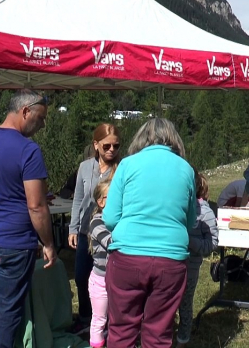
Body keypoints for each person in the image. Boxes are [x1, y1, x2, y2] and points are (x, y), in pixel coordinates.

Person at [0, 89, 57, 348]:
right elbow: (37, 206)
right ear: (25, 111)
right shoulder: (29, 150)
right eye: (40, 118)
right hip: (15, 243)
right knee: (7, 311)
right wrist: (49, 243)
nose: (42, 124)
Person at [103, 118, 197, 348]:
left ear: (141, 138)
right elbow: (191, 221)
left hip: (127, 257)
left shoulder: (127, 164)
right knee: (159, 333)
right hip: (171, 260)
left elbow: (110, 218)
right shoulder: (186, 169)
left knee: (122, 330)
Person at [68, 123, 121, 333]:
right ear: (96, 145)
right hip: (84, 231)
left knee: (108, 278)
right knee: (81, 276)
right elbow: (78, 199)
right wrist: (73, 228)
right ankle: (84, 317)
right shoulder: (84, 167)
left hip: (109, 232)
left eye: (116, 146)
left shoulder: (121, 169)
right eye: (107, 146)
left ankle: (107, 320)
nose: (111, 151)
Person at [176, 171, 219, 348]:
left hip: (190, 269)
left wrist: (189, 241)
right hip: (170, 264)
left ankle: (182, 340)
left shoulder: (205, 212)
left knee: (185, 305)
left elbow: (212, 243)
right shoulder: (175, 206)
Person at [87, 180, 112, 348]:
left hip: (117, 280)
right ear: (101, 202)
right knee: (99, 319)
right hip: (100, 282)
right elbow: (112, 243)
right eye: (113, 197)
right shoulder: (97, 222)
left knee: (116, 319)